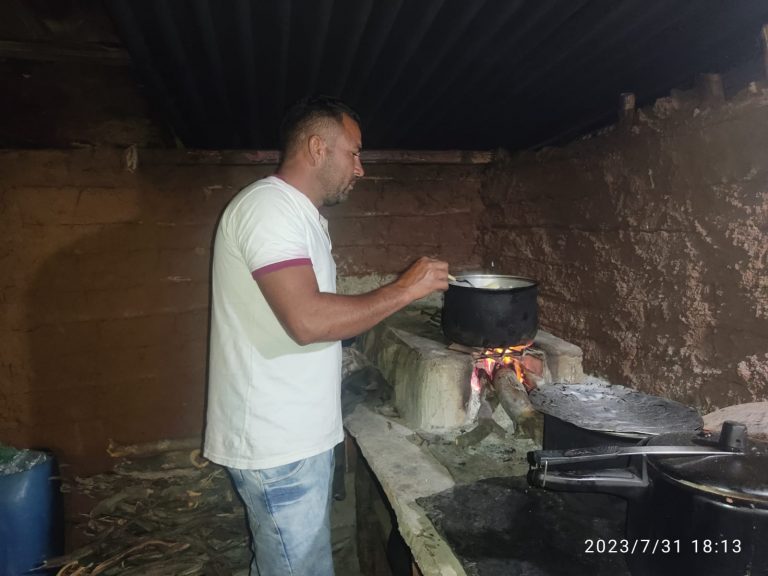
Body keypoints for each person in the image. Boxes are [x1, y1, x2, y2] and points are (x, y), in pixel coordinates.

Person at [203, 95, 449, 576]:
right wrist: (403, 290)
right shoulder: (269, 209)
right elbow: (308, 320)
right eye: (353, 153)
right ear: (318, 148)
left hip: (295, 437)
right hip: (277, 445)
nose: (360, 168)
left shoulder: (300, 215)